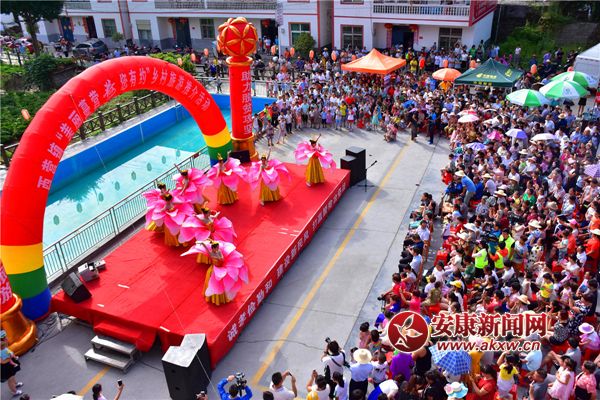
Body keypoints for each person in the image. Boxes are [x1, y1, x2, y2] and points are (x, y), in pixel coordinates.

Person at [1, 331, 23, 397]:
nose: (6, 339)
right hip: (4, 366)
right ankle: (14, 391)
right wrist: (10, 358)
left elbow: (8, 351)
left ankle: (15, 384)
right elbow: (2, 362)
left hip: (8, 363)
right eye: (4, 338)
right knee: (10, 379)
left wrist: (12, 356)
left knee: (13, 375)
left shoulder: (4, 346)